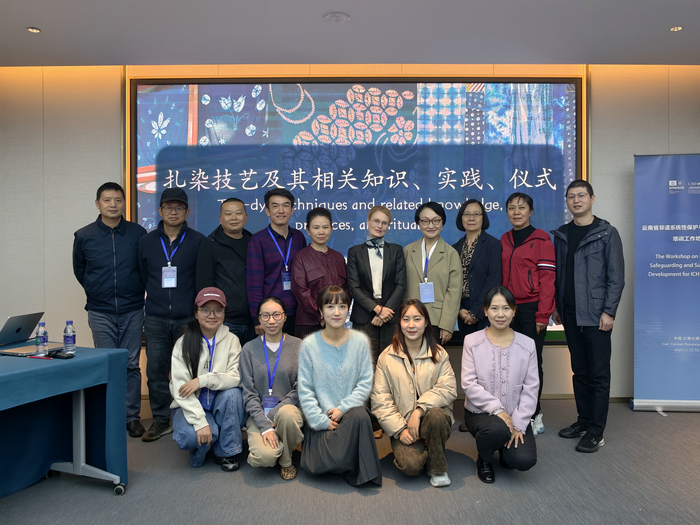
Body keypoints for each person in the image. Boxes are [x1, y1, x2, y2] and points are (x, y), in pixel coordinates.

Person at [551, 180, 625, 453]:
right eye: (571, 196)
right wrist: (556, 307)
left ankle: (596, 431)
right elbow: (559, 275)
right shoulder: (561, 235)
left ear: (592, 198)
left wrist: (609, 311)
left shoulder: (607, 233)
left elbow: (616, 277)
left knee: (598, 375)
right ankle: (583, 421)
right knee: (580, 372)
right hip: (569, 314)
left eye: (581, 195)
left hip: (597, 316)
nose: (576, 200)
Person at [72, 182, 147, 438]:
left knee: (130, 364)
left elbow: (144, 268)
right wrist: (96, 290)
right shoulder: (84, 235)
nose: (113, 204)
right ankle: (110, 415)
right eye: (107, 200)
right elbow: (80, 271)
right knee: (108, 363)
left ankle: (131, 416)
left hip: (132, 308)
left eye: (118, 200)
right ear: (98, 204)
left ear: (124, 203)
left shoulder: (138, 233)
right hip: (100, 310)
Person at [138, 187, 205, 442]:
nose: (173, 212)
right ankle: (160, 418)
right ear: (160, 210)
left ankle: (189, 416)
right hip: (155, 317)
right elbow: (142, 276)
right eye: (168, 207)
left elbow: (201, 280)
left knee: (190, 369)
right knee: (156, 370)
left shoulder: (198, 241)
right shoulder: (146, 242)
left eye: (178, 208)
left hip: (187, 318)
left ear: (187, 212)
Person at [297, 285, 382, 487]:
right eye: (330, 307)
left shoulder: (360, 341)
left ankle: (350, 465)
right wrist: (322, 421)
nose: (337, 312)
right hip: (322, 421)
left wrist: (342, 409)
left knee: (361, 414)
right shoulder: (309, 345)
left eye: (342, 306)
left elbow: (365, 383)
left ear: (348, 309)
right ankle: (346, 460)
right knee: (326, 462)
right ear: (320, 311)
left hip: (350, 418)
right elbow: (305, 391)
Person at [371, 299, 457, 487]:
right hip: (403, 424)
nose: (411, 325)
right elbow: (380, 401)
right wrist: (399, 430)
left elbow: (448, 388)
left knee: (436, 416)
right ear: (399, 323)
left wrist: (419, 410)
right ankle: (430, 449)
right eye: (406, 319)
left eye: (417, 319)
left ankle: (437, 467)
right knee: (411, 467)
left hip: (431, 420)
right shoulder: (386, 357)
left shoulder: (439, 354)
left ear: (426, 323)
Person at [461, 286, 538, 484]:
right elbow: (468, 383)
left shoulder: (527, 344)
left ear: (514, 311)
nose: (500, 314)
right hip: (480, 412)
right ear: (485, 311)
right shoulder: (472, 341)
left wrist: (519, 423)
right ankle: (484, 459)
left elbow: (531, 388)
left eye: (506, 308)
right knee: (497, 430)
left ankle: (505, 448)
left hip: (515, 413)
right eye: (494, 308)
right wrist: (497, 409)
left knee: (523, 460)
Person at [170, 287, 246, 471]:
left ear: (224, 313)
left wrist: (202, 380)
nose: (212, 315)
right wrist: (200, 422)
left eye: (218, 310)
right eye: (205, 310)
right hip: (191, 405)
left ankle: (226, 451)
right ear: (196, 313)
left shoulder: (232, 340)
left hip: (220, 403)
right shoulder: (184, 342)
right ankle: (204, 445)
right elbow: (180, 389)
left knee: (234, 394)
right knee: (191, 437)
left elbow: (236, 377)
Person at [500, 192, 555, 437]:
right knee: (509, 363)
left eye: (521, 207)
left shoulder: (541, 239)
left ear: (530, 211)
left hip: (533, 309)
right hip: (509, 310)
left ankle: (534, 414)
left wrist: (543, 315)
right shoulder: (504, 239)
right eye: (512, 208)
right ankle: (513, 410)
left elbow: (548, 280)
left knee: (532, 364)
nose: (516, 212)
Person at [240, 296, 304, 479]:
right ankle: (277, 446)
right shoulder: (249, 349)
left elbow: (300, 388)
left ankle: (286, 459)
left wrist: (274, 412)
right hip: (259, 415)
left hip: (289, 412)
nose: (271, 321)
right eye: (265, 316)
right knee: (264, 458)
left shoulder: (299, 346)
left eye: (276, 315)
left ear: (285, 317)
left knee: (287, 414)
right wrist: (265, 425)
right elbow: (248, 393)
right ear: (259, 319)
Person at [347, 205, 407, 361]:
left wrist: (385, 311)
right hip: (364, 316)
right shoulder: (354, 252)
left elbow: (400, 285)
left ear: (389, 226)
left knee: (392, 364)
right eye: (376, 221)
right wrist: (377, 310)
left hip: (390, 315)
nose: (379, 226)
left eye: (384, 223)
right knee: (365, 365)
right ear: (368, 221)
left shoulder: (396, 250)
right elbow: (354, 288)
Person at [246, 188, 306, 336]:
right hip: (270, 315)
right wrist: (258, 318)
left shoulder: (298, 237)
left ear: (292, 210)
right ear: (267, 211)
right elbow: (254, 284)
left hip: (297, 312)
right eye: (275, 206)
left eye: (285, 205)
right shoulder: (258, 240)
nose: (281, 210)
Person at [196, 198, 255, 346]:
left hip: (252, 320)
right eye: (228, 214)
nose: (234, 218)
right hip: (224, 320)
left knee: (250, 361)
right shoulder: (210, 244)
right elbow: (204, 285)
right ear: (220, 218)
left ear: (246, 217)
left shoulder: (253, 242)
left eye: (238, 213)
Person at [404, 202, 462, 345]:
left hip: (438, 320)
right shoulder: (408, 251)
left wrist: (447, 324)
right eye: (425, 221)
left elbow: (454, 292)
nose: (431, 225)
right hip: (410, 319)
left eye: (436, 221)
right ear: (418, 223)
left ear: (442, 222)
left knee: (433, 358)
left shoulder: (451, 254)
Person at [291, 207, 348, 338]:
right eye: (316, 227)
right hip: (308, 324)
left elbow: (346, 290)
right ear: (308, 230)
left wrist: (338, 313)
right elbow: (301, 292)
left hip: (336, 323)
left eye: (325, 227)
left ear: (331, 229)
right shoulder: (301, 257)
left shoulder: (338, 257)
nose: (321, 232)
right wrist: (321, 316)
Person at [452, 199, 502, 337]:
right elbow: (451, 282)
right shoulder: (455, 248)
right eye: (467, 214)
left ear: (483, 218)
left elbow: (494, 280)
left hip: (485, 309)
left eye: (476, 214)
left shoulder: (493, 245)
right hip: (463, 312)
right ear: (461, 218)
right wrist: (459, 309)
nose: (471, 218)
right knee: (468, 349)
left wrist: (476, 312)